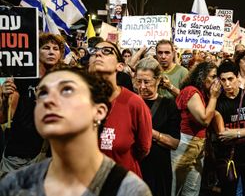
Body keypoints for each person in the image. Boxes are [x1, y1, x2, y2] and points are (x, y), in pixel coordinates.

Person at [0, 66, 152, 195]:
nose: (50, 100)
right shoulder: (15, 186)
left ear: (99, 111)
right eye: (42, 93)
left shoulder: (128, 190)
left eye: (67, 90)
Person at [0, 33, 64, 176]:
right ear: (36, 51)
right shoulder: (22, 78)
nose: (51, 52)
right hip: (18, 157)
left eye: (55, 48)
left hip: (50, 158)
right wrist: (4, 97)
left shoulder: (64, 80)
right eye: (46, 48)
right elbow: (3, 118)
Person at [88, 40, 152, 178]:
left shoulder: (134, 103)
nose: (98, 53)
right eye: (94, 51)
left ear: (120, 66)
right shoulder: (77, 101)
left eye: (107, 51)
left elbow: (143, 149)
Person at [212, 60, 245, 196]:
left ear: (237, 78)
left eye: (230, 79)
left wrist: (236, 133)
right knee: (228, 192)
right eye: (223, 80)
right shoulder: (217, 102)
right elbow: (223, 134)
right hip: (229, 158)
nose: (227, 84)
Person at [171, 62, 221, 196]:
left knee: (191, 190)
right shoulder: (191, 91)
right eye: (212, 76)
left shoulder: (203, 93)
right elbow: (204, 120)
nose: (216, 81)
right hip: (185, 143)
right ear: (202, 76)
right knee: (174, 188)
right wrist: (214, 97)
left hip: (198, 145)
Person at [136, 57, 181, 196]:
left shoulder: (168, 104)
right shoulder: (131, 102)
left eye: (147, 82)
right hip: (135, 168)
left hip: (158, 169)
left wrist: (150, 132)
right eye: (138, 81)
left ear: (157, 80)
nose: (142, 86)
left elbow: (174, 143)